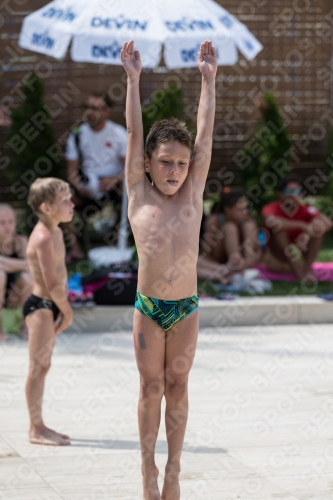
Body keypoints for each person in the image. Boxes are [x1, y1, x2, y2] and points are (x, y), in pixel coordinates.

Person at [121, 39, 217, 500]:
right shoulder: (138, 196)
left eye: (181, 163)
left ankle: (175, 471)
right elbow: (135, 134)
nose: (176, 170)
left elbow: (205, 137)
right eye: (166, 163)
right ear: (147, 166)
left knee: (177, 387)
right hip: (148, 306)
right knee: (150, 386)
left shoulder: (193, 197)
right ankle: (147, 471)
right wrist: (133, 81)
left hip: (186, 308)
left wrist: (208, 80)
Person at [24, 178, 74, 445]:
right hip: (41, 307)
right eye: (65, 201)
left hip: (50, 307)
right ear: (46, 207)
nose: (72, 204)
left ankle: (40, 424)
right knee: (37, 368)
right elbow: (52, 284)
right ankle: (36, 429)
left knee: (44, 367)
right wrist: (67, 312)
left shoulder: (55, 231)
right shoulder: (43, 238)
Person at [64, 92, 128, 261]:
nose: (89, 112)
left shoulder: (119, 133)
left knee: (131, 189)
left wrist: (115, 179)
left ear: (106, 111)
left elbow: (130, 166)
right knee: (62, 200)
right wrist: (79, 187)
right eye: (87, 107)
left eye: (94, 108)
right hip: (87, 185)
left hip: (114, 184)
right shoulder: (77, 135)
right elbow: (71, 171)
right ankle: (75, 249)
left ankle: (120, 239)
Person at [262, 175, 333, 280]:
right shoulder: (271, 208)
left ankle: (306, 270)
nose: (291, 195)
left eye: (296, 192)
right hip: (277, 260)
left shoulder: (306, 209)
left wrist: (308, 233)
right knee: (279, 231)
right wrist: (302, 225)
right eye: (287, 191)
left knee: (318, 232)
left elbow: (327, 223)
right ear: (280, 193)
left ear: (301, 194)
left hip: (301, 258)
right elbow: (271, 222)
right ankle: (298, 273)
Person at [197, 189, 262, 283]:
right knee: (230, 227)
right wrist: (220, 267)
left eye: (246, 208)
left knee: (249, 225)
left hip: (243, 261)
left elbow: (258, 250)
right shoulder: (214, 221)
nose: (245, 212)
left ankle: (235, 270)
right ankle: (227, 272)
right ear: (228, 209)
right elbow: (207, 254)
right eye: (240, 209)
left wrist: (248, 262)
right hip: (220, 261)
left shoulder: (248, 222)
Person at [0, 204, 32, 340]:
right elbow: (25, 264)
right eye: (2, 223)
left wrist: (2, 262)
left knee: (28, 277)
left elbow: (31, 266)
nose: (7, 226)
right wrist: (21, 265)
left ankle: (25, 325)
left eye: (11, 222)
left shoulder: (20, 242)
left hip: (13, 296)